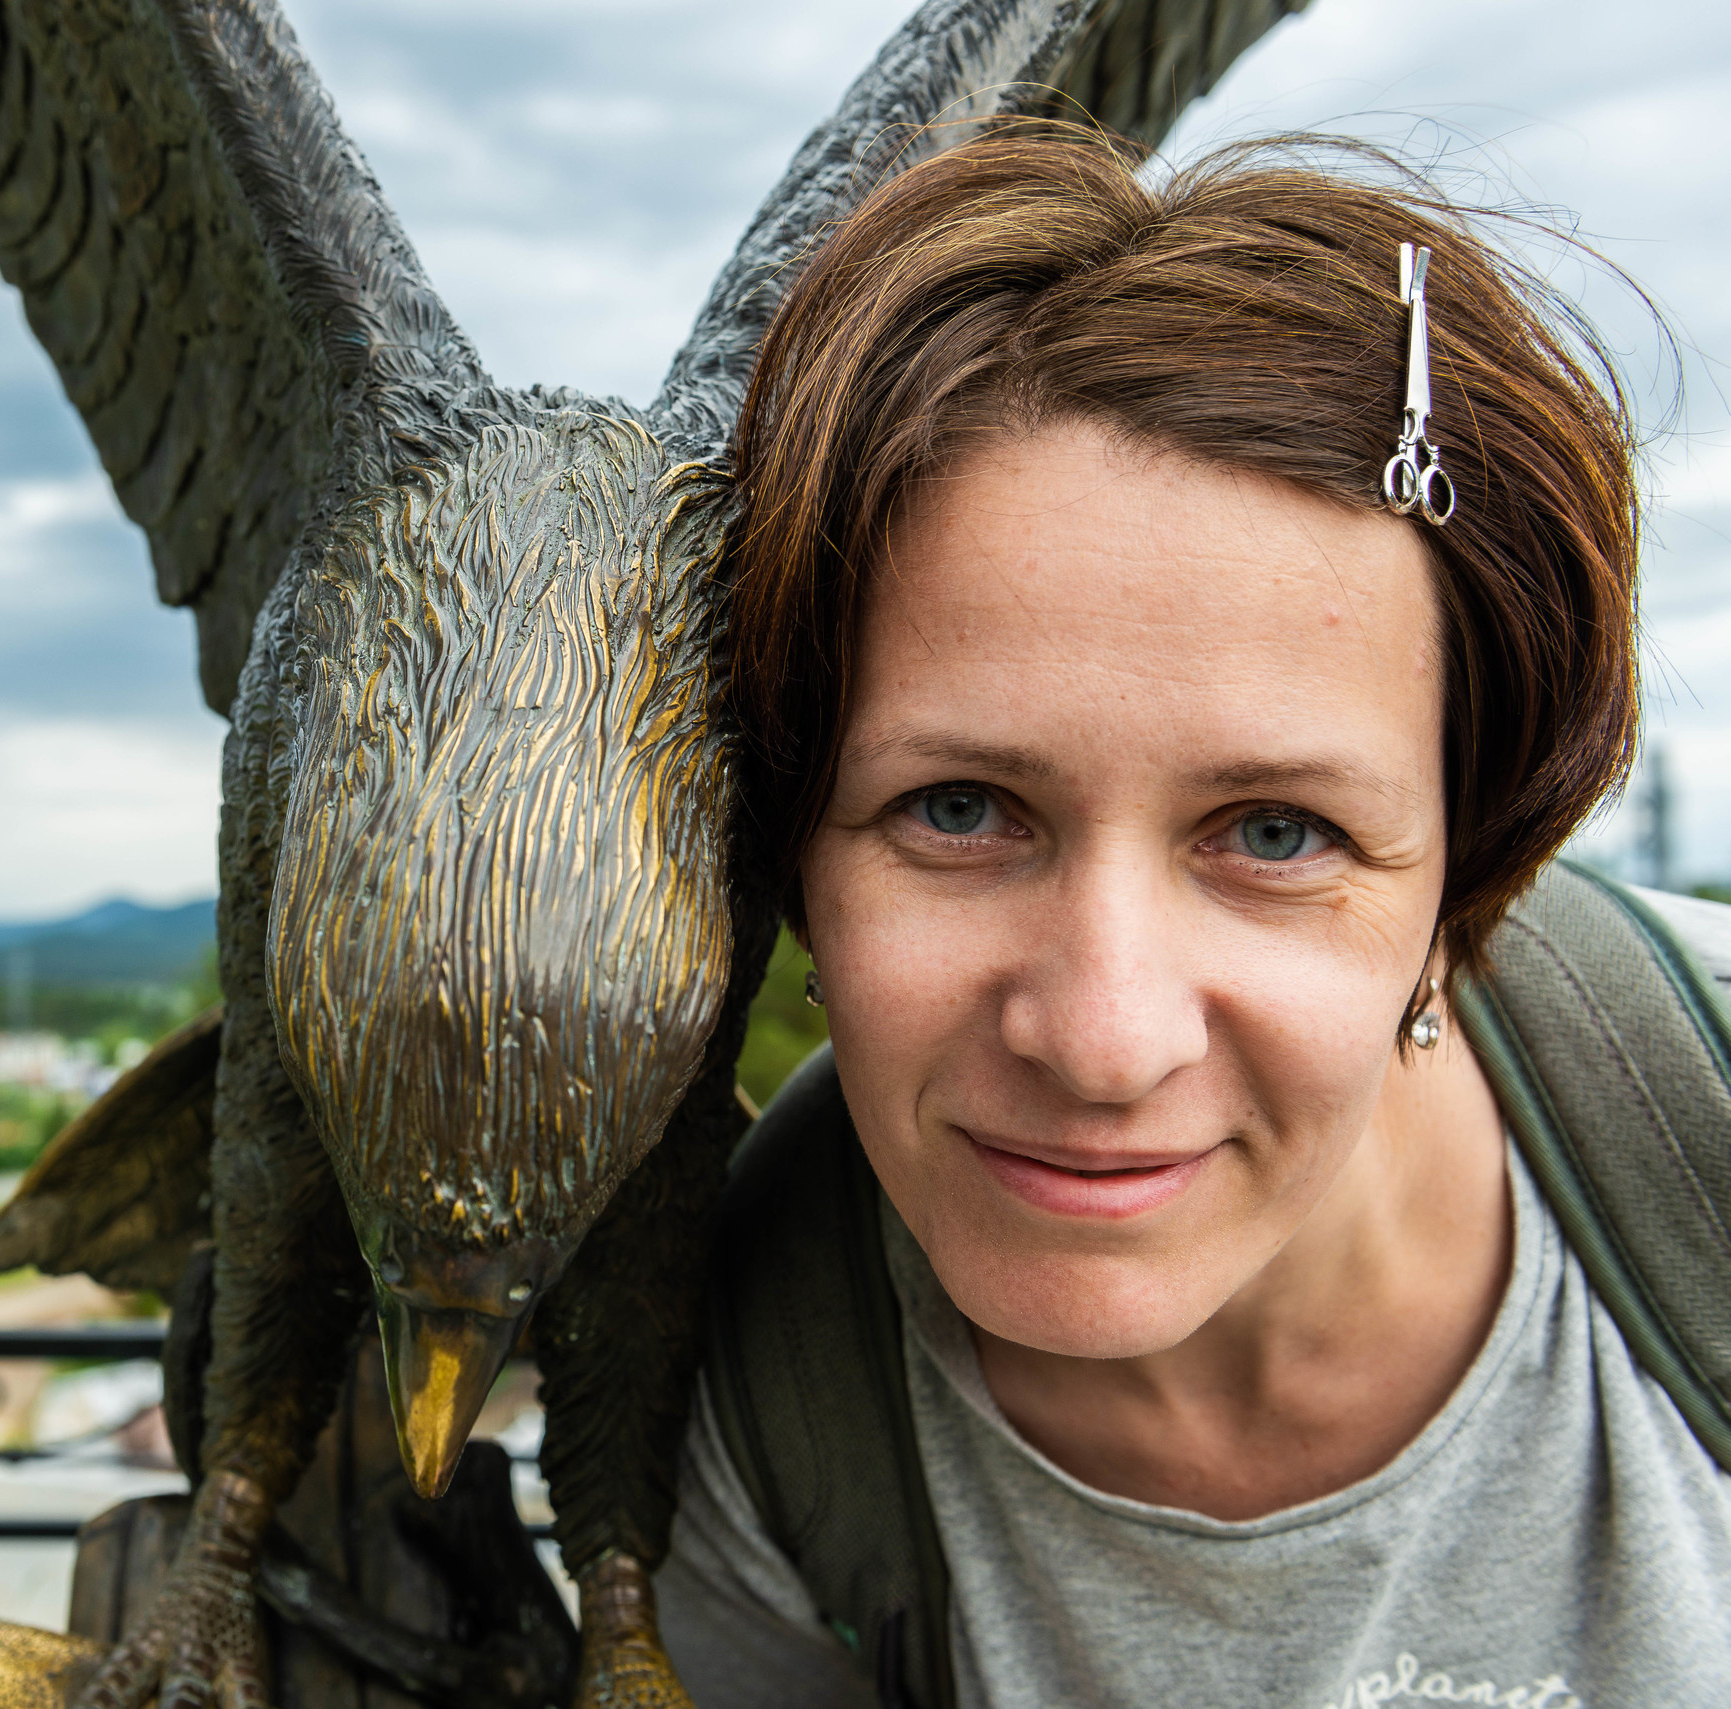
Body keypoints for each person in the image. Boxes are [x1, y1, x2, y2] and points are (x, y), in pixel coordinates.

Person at [652, 125, 1731, 1707]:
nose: (1102, 1037)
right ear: (798, 854)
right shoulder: (749, 1380)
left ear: (1466, 879)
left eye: (1276, 832)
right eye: (957, 811)